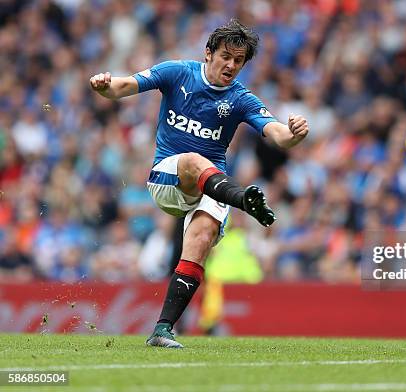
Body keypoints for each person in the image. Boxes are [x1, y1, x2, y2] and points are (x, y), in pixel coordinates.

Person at [90, 19, 309, 348]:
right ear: (208, 53)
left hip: (212, 185)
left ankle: (162, 329)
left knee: (201, 240)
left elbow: (277, 134)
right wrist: (105, 85)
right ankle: (241, 199)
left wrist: (293, 134)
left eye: (239, 61)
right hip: (168, 177)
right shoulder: (176, 72)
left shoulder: (241, 98)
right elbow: (124, 86)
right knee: (194, 160)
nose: (231, 65)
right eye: (226, 56)